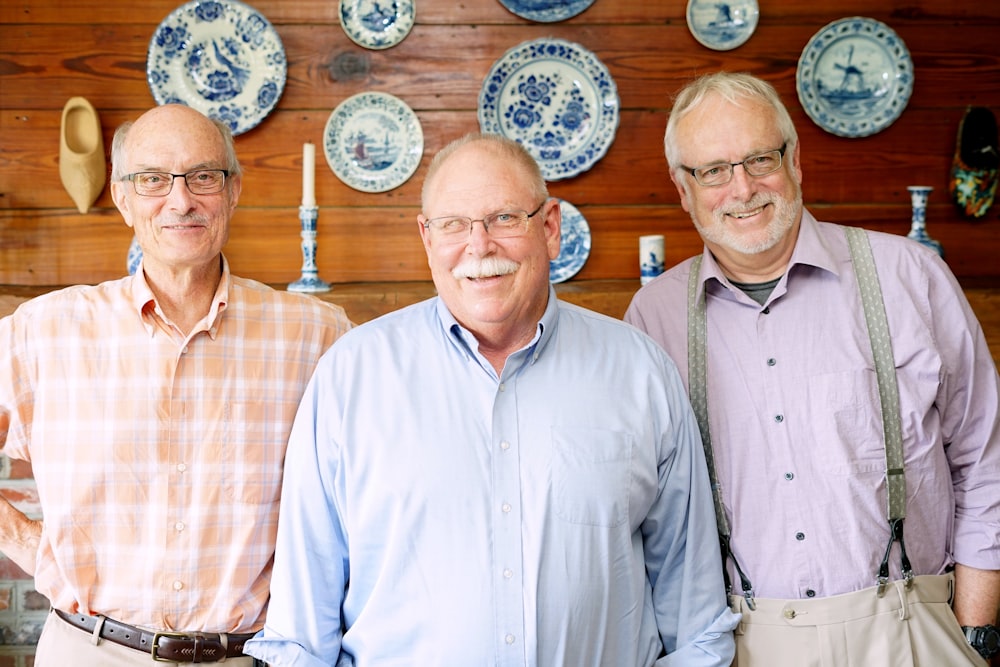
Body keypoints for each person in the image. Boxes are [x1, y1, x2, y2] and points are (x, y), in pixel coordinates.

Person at [243, 132, 739, 666]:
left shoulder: (641, 374)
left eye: (504, 218)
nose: (479, 246)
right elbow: (300, 634)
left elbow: (696, 622)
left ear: (549, 228)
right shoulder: (350, 377)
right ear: (427, 238)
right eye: (453, 224)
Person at [625, 71, 1000, 666]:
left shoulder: (911, 277)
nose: (742, 187)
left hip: (913, 629)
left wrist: (974, 634)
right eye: (713, 170)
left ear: (794, 159)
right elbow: (648, 514)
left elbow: (985, 460)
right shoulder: (653, 317)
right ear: (682, 186)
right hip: (743, 645)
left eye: (759, 158)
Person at [0, 104, 353, 666]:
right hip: (88, 651)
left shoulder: (317, 334)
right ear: (122, 197)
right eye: (153, 179)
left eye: (203, 176)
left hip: (247, 657)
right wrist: (25, 542)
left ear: (233, 191)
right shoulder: (43, 332)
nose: (181, 199)